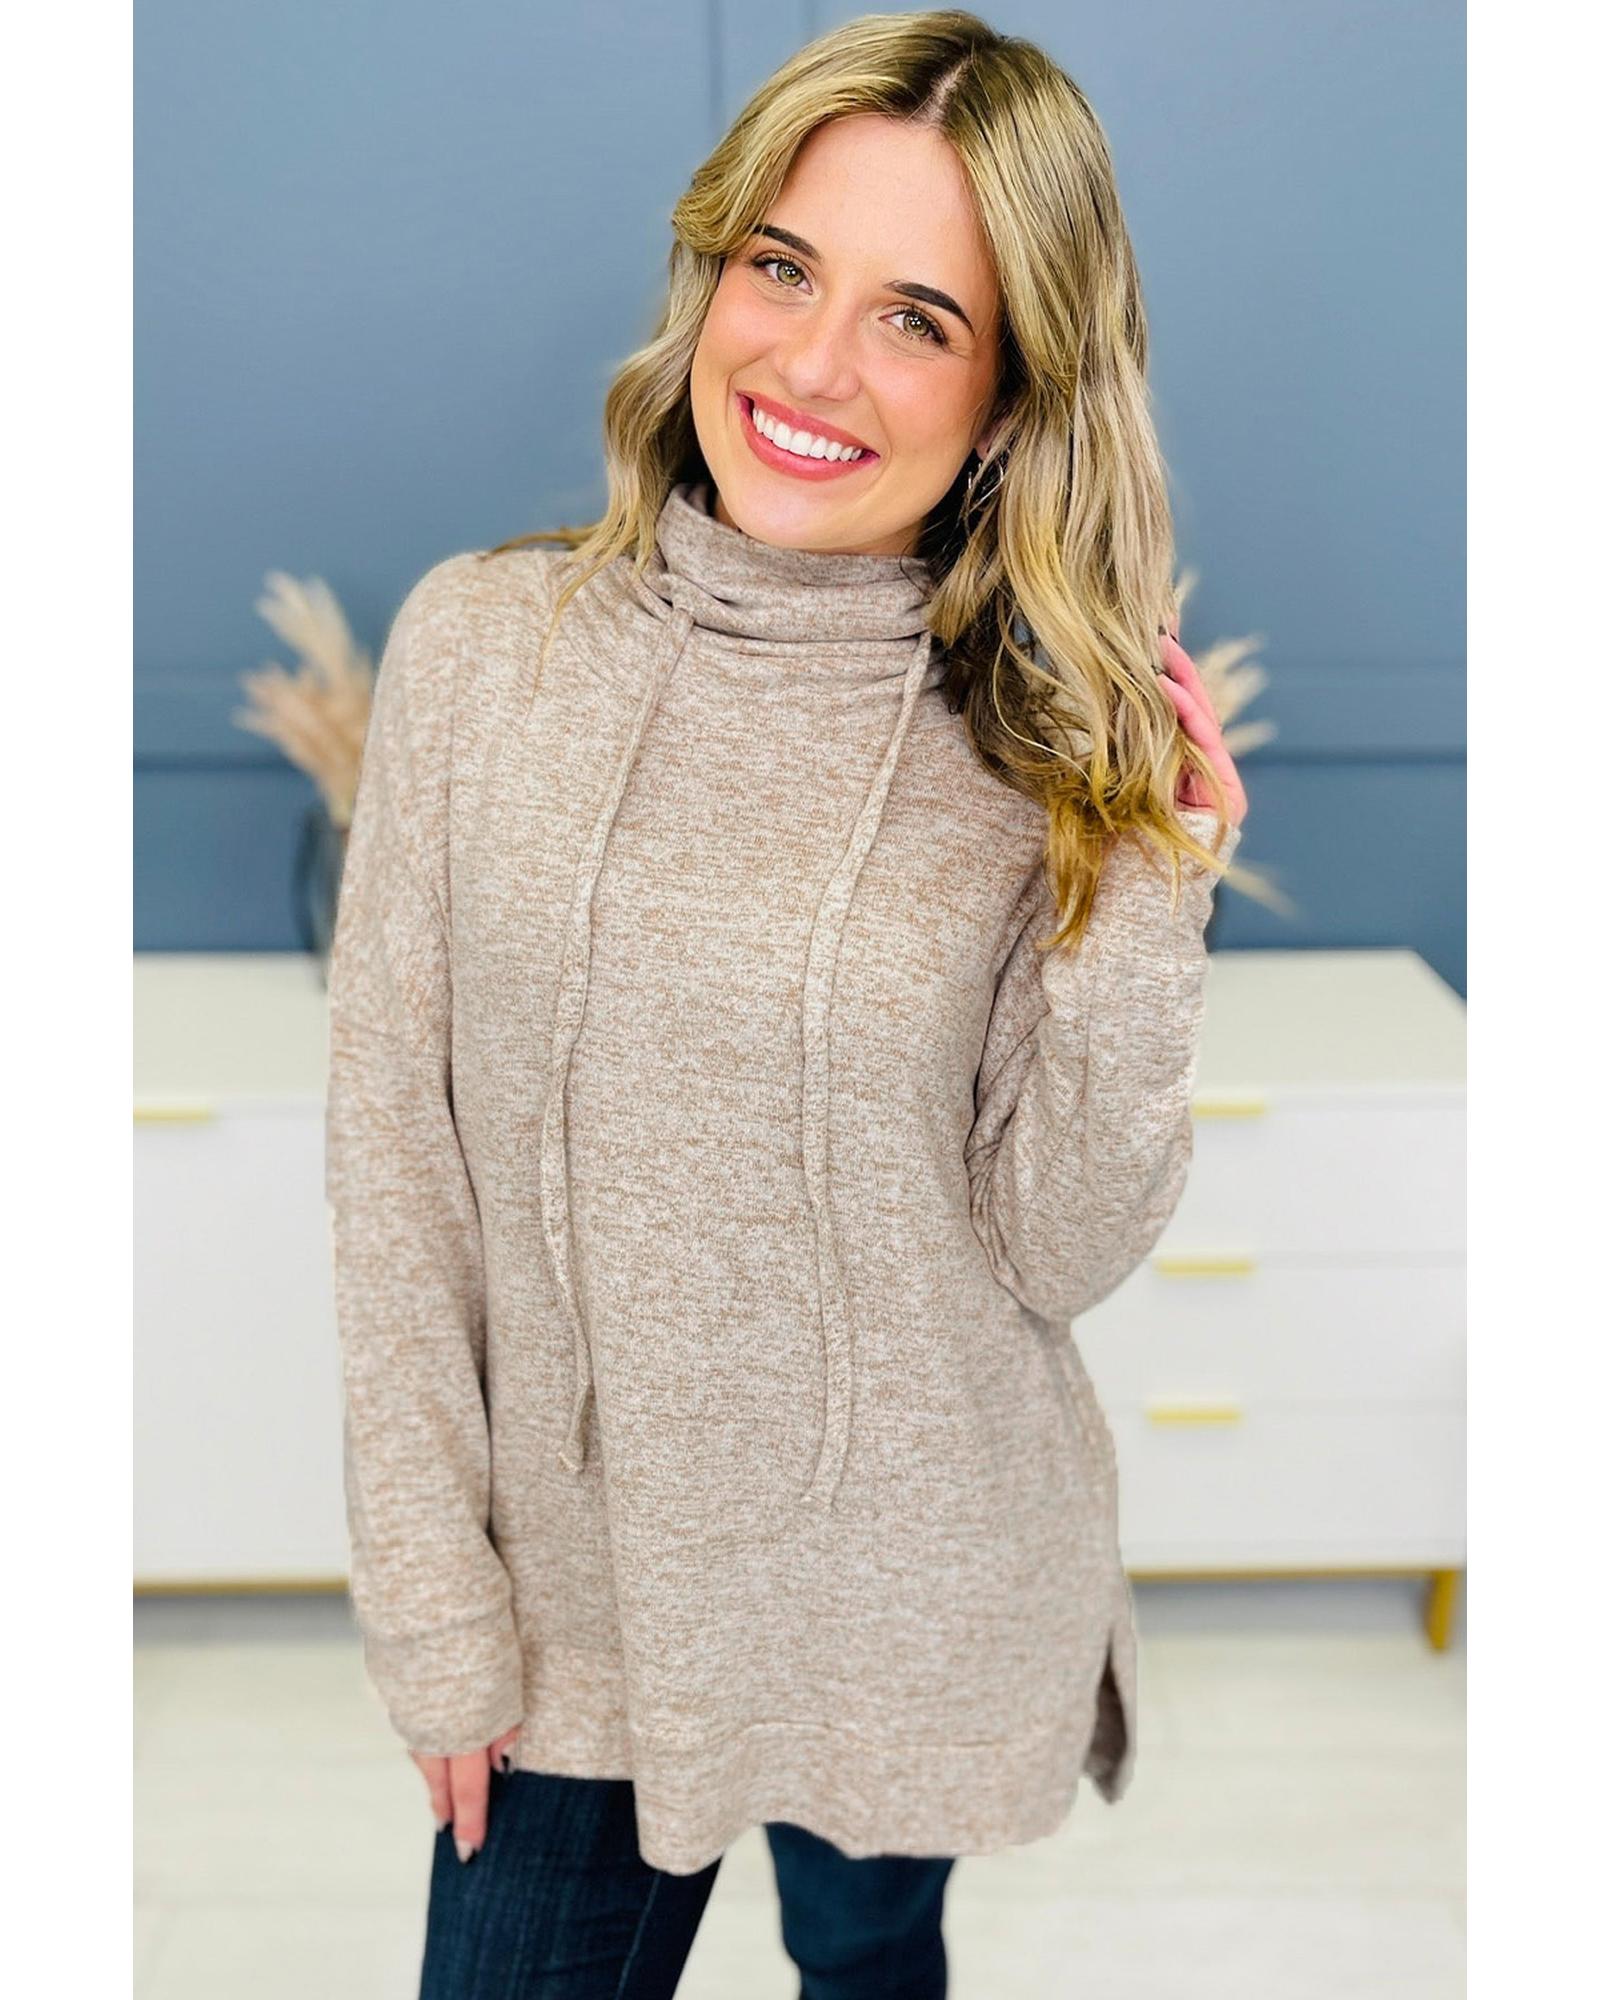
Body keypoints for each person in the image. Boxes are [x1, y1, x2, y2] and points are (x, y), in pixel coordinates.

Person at [323, 10, 1252, 1996]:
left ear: (1007, 398)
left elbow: (1055, 1246)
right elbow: (400, 1170)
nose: (813, 366)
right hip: (580, 1611)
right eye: (781, 267)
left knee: (869, 1963)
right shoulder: (483, 650)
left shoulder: (1041, 752)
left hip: (911, 1579)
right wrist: (434, 1607)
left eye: (918, 317)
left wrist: (1150, 884)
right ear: (711, 275)